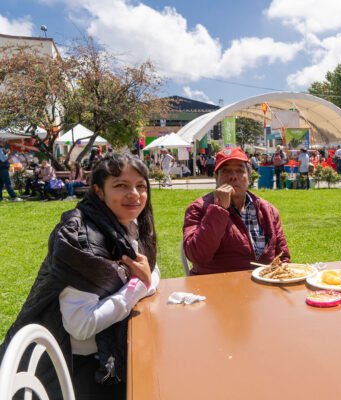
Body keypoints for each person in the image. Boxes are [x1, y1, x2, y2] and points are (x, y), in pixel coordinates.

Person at [0, 152, 160, 399]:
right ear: (98, 191)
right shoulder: (83, 239)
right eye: (121, 186)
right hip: (82, 371)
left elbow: (150, 268)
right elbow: (81, 326)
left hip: (117, 350)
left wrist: (143, 280)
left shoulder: (126, 224)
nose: (135, 194)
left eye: (141, 186)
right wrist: (138, 285)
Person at [183, 147, 290, 275]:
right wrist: (219, 208)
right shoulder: (198, 208)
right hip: (215, 288)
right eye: (226, 171)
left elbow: (283, 256)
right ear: (216, 178)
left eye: (240, 171)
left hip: (262, 287)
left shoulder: (268, 210)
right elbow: (197, 255)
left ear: (249, 178)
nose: (233, 176)